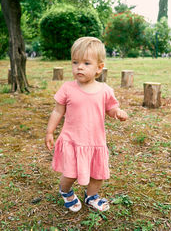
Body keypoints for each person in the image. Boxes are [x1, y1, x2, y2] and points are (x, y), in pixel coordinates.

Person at [45, 37, 128, 212]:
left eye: (86, 63)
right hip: (72, 140)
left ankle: (91, 196)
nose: (79, 67)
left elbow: (111, 108)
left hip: (95, 141)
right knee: (70, 174)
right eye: (75, 62)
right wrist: (50, 132)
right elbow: (58, 111)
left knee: (98, 175)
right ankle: (65, 191)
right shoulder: (68, 88)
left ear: (99, 67)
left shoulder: (105, 90)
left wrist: (117, 113)